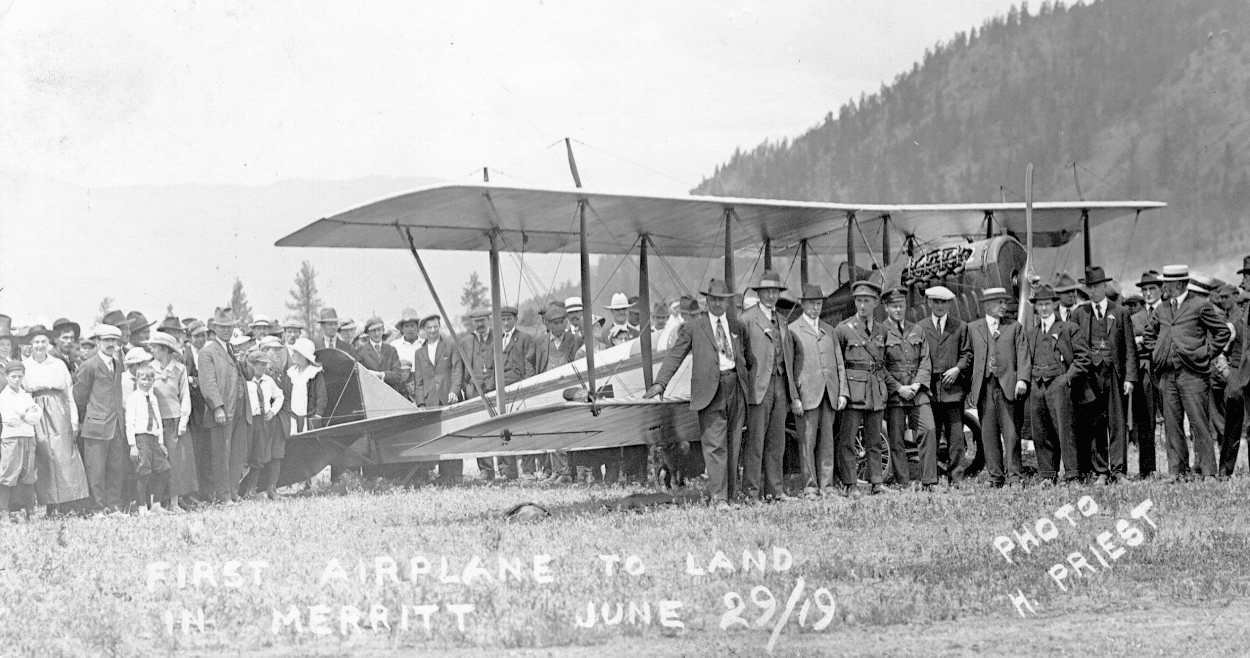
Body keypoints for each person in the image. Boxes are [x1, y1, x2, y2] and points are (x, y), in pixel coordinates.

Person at [646, 279, 750, 511]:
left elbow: (748, 359)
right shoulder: (694, 327)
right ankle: (718, 498)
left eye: (721, 300)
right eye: (712, 299)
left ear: (727, 302)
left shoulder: (737, 326)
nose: (717, 304)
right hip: (709, 392)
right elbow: (675, 356)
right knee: (714, 445)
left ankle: (731, 496)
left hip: (735, 387)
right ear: (706, 301)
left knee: (733, 444)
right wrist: (660, 384)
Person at [1144, 265, 1231, 481]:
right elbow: (1149, 334)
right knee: (1172, 424)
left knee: (1199, 423)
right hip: (1167, 374)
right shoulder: (1162, 309)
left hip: (1193, 374)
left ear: (1180, 284)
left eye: (1168, 283)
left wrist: (1205, 352)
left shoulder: (1200, 305)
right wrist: (1159, 351)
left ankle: (1208, 471)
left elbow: (1222, 332)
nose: (1164, 287)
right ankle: (1177, 472)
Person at [1070, 266, 1138, 485]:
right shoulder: (1080, 313)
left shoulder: (1120, 312)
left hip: (1115, 375)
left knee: (1117, 423)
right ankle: (1101, 471)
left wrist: (1130, 378)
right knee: (1097, 424)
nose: (1093, 291)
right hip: (1091, 378)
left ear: (1104, 287)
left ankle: (1119, 471)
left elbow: (1129, 349)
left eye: (1097, 287)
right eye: (1089, 288)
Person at [740, 270, 800, 502]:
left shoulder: (782, 320)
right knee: (755, 442)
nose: (771, 295)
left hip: (780, 385)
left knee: (778, 442)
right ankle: (751, 493)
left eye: (774, 291)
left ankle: (775, 491)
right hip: (758, 387)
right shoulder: (747, 319)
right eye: (766, 291)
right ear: (759, 293)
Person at [22, 325, 89, 516]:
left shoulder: (58, 365)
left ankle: (69, 504)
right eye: (36, 342)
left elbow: (69, 393)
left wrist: (74, 420)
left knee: (64, 456)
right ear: (30, 344)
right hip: (37, 411)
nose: (40, 345)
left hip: (59, 410)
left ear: (49, 343)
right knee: (44, 456)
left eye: (43, 341)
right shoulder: (26, 365)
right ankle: (50, 506)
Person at [1027, 284, 1090, 486]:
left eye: (1047, 304)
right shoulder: (1031, 333)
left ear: (1055, 304)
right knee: (1041, 431)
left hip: (1059, 385)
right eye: (1040, 304)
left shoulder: (1069, 328)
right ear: (1035, 307)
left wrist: (1066, 379)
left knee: (1066, 430)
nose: (1044, 308)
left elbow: (1083, 359)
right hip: (1037, 385)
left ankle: (1072, 474)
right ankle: (1047, 475)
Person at [788, 284, 847, 498]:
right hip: (807, 395)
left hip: (829, 394)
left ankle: (827, 485)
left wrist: (842, 392)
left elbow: (839, 363)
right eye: (811, 303)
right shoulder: (793, 330)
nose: (815, 307)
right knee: (807, 442)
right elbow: (788, 367)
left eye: (819, 303)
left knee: (827, 441)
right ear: (802, 304)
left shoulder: (829, 329)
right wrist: (794, 397)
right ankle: (810, 486)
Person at [967, 288, 1030, 488]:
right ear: (987, 305)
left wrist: (1022, 379)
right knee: (988, 433)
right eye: (999, 302)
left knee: (1011, 433)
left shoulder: (1014, 327)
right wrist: (969, 387)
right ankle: (995, 476)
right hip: (984, 387)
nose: (1004, 306)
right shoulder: (972, 328)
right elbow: (968, 359)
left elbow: (1023, 354)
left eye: (1005, 302)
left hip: (1008, 387)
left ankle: (1014, 477)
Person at [836, 280, 891, 496]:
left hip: (876, 390)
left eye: (866, 301)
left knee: (874, 439)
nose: (861, 305)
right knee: (848, 440)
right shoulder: (843, 329)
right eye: (858, 300)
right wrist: (843, 392)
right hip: (853, 391)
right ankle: (851, 484)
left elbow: (882, 360)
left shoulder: (882, 330)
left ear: (876, 303)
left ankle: (876, 481)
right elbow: (840, 363)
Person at [880, 287, 937, 491]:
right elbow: (880, 366)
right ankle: (903, 481)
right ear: (886, 307)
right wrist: (898, 388)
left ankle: (929, 480)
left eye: (901, 305)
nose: (898, 309)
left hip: (917, 392)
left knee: (928, 429)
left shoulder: (917, 330)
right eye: (894, 306)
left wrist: (916, 385)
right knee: (896, 438)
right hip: (896, 395)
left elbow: (925, 359)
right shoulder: (881, 331)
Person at [917, 286, 973, 487]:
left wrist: (957, 369)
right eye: (936, 302)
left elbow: (967, 354)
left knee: (956, 438)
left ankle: (957, 477)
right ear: (929, 303)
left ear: (950, 304)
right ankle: (930, 479)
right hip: (930, 391)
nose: (940, 306)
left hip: (953, 392)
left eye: (944, 302)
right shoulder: (921, 327)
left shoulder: (960, 326)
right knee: (930, 435)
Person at [73, 324, 129, 515]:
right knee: (96, 472)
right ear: (98, 342)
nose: (111, 344)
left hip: (117, 426)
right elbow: (79, 397)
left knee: (116, 469)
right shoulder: (89, 365)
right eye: (107, 340)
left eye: (114, 340)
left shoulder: (119, 365)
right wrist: (88, 419)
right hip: (96, 426)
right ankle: (98, 508)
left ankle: (114, 506)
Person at [199, 308, 251, 503]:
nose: (227, 330)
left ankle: (233, 493)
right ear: (214, 328)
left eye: (230, 326)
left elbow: (250, 375)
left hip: (240, 409)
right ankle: (223, 496)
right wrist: (217, 407)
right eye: (222, 327)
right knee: (221, 455)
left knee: (237, 454)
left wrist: (245, 363)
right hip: (223, 410)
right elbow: (208, 383)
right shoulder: (207, 352)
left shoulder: (235, 349)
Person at [145, 331, 193, 513]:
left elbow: (185, 396)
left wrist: (183, 421)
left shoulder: (179, 369)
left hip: (174, 421)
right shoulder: (149, 368)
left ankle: (174, 502)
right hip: (155, 421)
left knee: (176, 462)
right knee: (157, 462)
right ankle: (156, 502)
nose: (152, 350)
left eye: (155, 348)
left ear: (165, 349)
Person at [534, 302, 580, 484]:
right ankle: (555, 470)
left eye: (562, 322)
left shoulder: (574, 340)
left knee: (566, 429)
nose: (559, 326)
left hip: (569, 390)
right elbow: (530, 360)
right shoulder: (541, 341)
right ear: (548, 324)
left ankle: (567, 471)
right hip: (547, 390)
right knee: (551, 429)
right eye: (555, 323)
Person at [126, 363, 172, 515]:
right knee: (143, 472)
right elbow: (130, 422)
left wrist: (161, 442)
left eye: (150, 379)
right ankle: (141, 507)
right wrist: (133, 445)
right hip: (141, 438)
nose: (146, 382)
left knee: (164, 469)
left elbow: (157, 418)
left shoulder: (153, 398)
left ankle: (156, 504)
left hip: (154, 438)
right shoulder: (133, 398)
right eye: (143, 379)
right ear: (137, 379)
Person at [1130, 270, 1164, 479]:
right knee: (1145, 421)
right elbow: (1131, 345)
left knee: (1173, 420)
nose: (1148, 293)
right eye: (1145, 290)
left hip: (1166, 371)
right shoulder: (1135, 318)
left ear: (1161, 290)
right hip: (1144, 372)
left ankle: (1179, 468)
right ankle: (1146, 468)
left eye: (1152, 289)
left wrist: (1144, 341)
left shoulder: (1169, 311)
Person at [239, 350, 283, 498]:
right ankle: (238, 489)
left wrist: (273, 411)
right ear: (251, 365)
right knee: (245, 453)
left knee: (259, 455)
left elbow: (279, 396)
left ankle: (251, 489)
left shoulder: (268, 381)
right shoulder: (245, 381)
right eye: (259, 365)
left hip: (262, 421)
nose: (262, 368)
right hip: (248, 420)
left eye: (264, 365)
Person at [1, 361, 40, 522]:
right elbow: (9, 418)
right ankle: (4, 511)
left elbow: (36, 417)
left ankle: (30, 510)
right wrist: (26, 416)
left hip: (28, 437)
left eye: (20, 376)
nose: (17, 380)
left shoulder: (26, 396)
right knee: (8, 473)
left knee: (28, 473)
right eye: (13, 376)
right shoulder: (3, 397)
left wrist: (23, 415)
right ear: (6, 377)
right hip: (11, 438)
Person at [183, 321, 211, 500]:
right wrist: (194, 380)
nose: (201, 339)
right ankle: (193, 492)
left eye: (203, 335)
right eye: (197, 336)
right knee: (194, 451)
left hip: (208, 408)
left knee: (208, 451)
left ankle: (206, 491)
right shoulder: (185, 355)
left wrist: (197, 381)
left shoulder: (209, 353)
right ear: (189, 337)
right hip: (192, 411)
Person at [357, 317, 405, 393]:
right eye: (373, 330)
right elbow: (361, 377)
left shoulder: (391, 350)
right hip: (371, 395)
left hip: (391, 394)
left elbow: (398, 375)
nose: (376, 333)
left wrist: (381, 374)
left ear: (383, 330)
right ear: (368, 332)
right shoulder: (361, 352)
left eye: (379, 329)